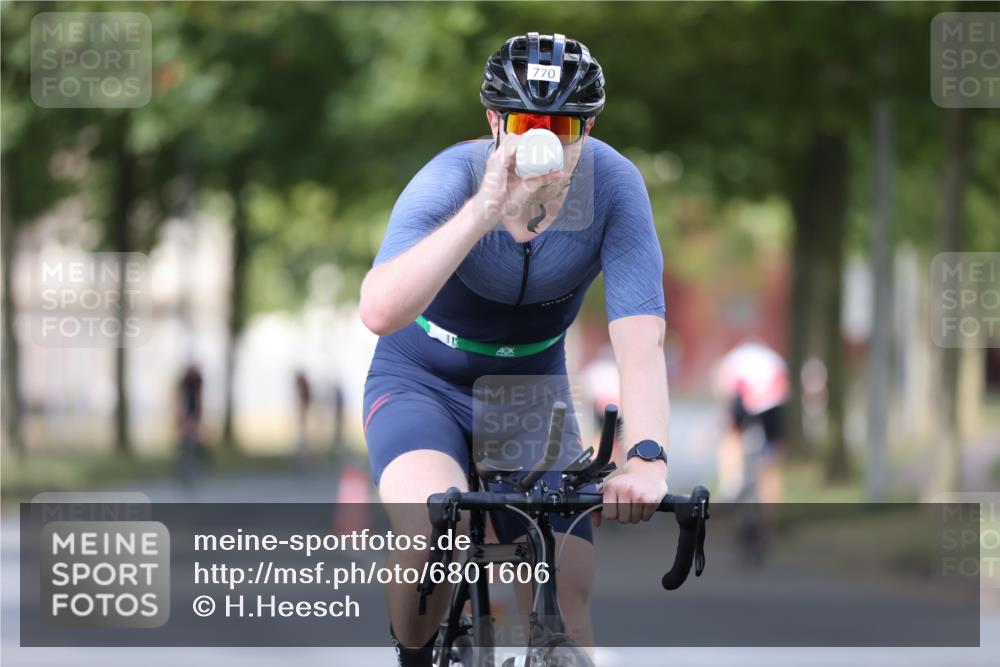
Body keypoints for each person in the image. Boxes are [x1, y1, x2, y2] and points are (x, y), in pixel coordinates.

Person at [359, 33, 670, 666]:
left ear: (589, 126)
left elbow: (641, 340)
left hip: (530, 393)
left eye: (565, 125)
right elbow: (379, 310)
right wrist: (483, 210)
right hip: (423, 380)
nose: (547, 141)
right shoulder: (452, 175)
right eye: (529, 123)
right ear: (495, 122)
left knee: (566, 585)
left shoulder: (614, 186)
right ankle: (416, 656)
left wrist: (646, 458)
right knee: (430, 536)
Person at [714, 340, 789, 505]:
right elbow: (785, 389)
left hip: (745, 396)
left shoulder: (733, 359)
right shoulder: (774, 358)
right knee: (773, 457)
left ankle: (732, 478)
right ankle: (769, 513)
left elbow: (722, 389)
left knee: (732, 435)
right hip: (774, 401)